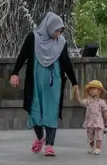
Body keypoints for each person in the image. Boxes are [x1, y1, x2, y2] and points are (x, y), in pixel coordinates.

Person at [10, 12, 80, 157]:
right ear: (49, 27)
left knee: (51, 111)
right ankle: (40, 137)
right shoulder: (33, 37)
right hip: (35, 81)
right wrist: (15, 72)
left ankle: (49, 145)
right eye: (56, 30)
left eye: (60, 31)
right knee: (35, 110)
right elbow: (22, 55)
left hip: (53, 83)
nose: (58, 34)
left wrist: (74, 82)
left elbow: (66, 62)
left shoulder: (61, 42)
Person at [75, 80, 107, 154]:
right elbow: (81, 103)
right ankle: (91, 147)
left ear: (99, 91)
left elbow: (105, 112)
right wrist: (77, 95)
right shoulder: (88, 100)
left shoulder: (102, 102)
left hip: (98, 122)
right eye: (90, 89)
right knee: (90, 136)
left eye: (94, 88)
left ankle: (98, 148)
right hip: (90, 122)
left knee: (99, 136)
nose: (92, 90)